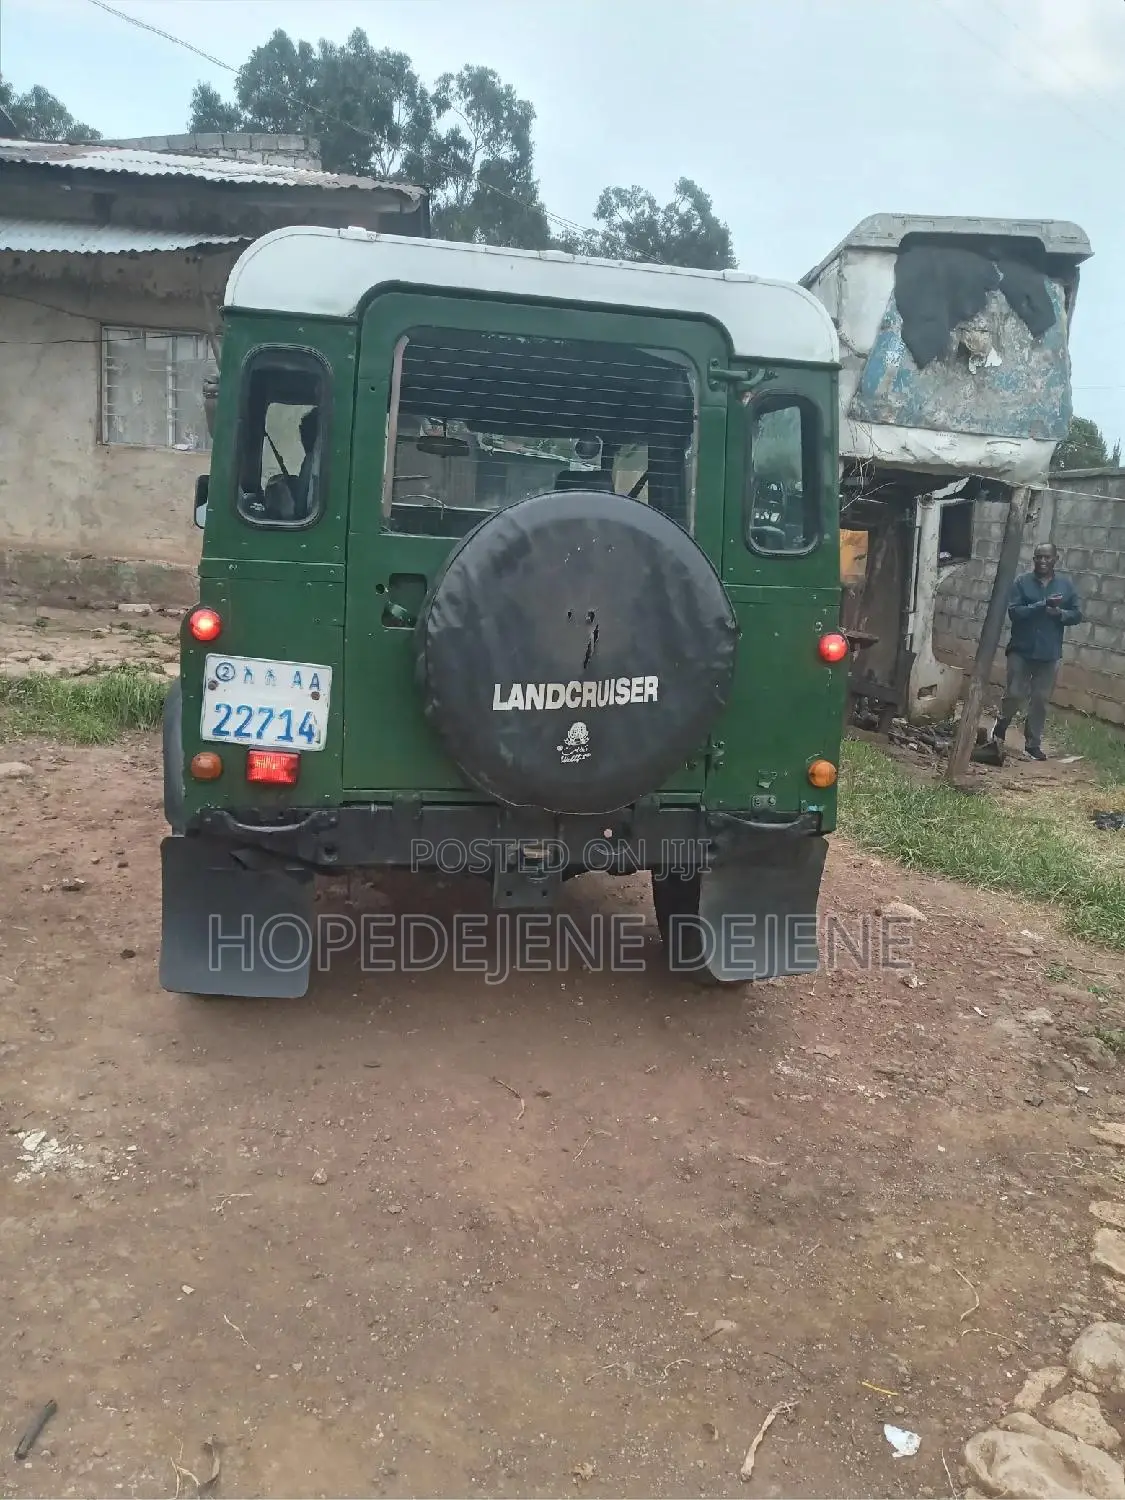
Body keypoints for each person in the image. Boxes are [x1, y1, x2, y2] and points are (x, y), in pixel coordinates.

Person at [992, 541, 1082, 760]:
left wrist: (1060, 614)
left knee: (1040, 699)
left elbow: (1077, 614)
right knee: (1014, 693)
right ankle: (1001, 726)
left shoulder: (1066, 586)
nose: (1042, 561)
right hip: (1021, 649)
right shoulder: (1022, 583)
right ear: (1033, 560)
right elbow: (1015, 613)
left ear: (1055, 559)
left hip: (1049, 653)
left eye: (1047, 557)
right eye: (1038, 557)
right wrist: (1042, 605)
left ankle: (1033, 744)